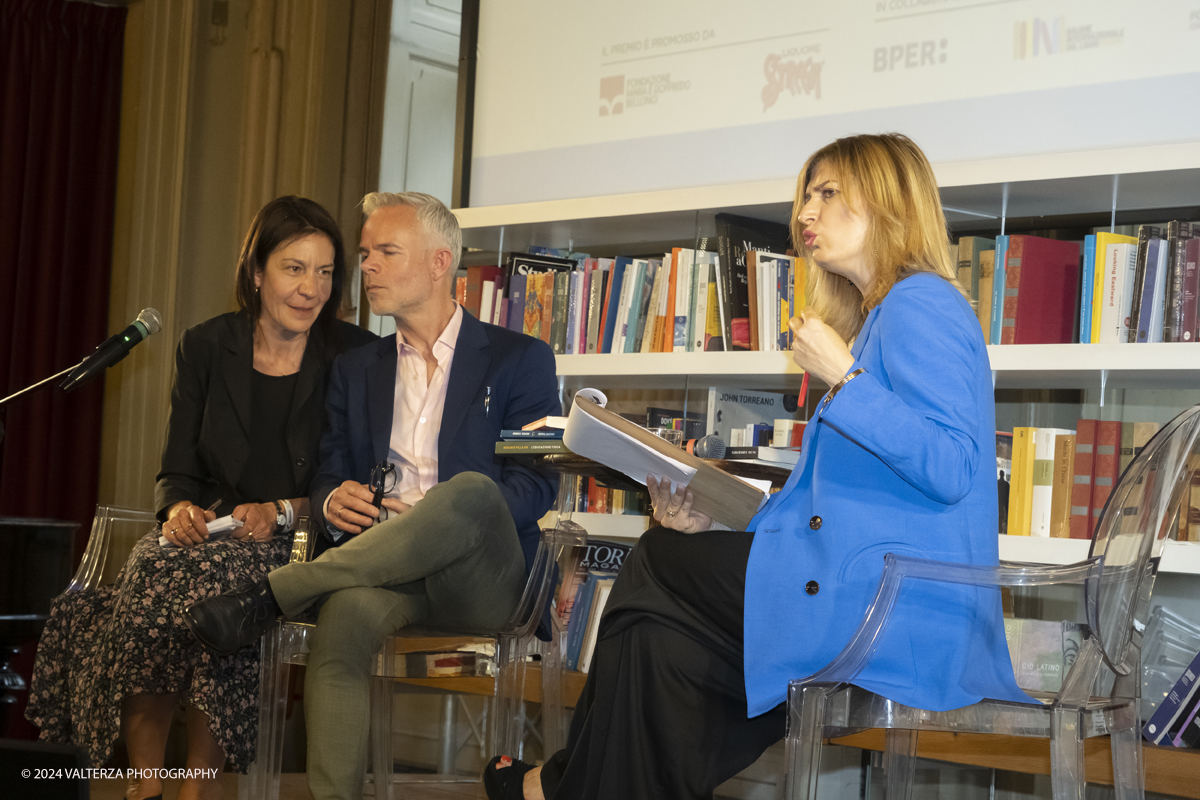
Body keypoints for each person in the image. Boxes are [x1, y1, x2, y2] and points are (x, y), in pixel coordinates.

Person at [485, 133, 1034, 800]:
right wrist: (713, 516)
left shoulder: (922, 302)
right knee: (662, 645)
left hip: (898, 604)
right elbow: (843, 503)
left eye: (829, 193)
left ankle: (560, 786)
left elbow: (952, 466)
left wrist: (845, 377)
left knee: (655, 564)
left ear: (888, 203)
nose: (807, 209)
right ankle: (565, 787)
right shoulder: (882, 316)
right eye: (806, 193)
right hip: (865, 586)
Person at [182, 191, 562, 800]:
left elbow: (539, 482)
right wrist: (332, 500)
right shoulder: (358, 368)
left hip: (482, 575)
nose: (366, 268)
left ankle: (274, 594)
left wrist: (439, 516)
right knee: (341, 628)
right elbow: (329, 471)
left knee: (466, 493)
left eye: (385, 251)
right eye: (364, 254)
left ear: (440, 263)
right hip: (384, 567)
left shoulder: (520, 359)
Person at [26, 196, 377, 800]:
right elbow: (176, 469)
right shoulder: (206, 345)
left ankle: (194, 788)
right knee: (152, 562)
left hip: (301, 539)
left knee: (210, 587)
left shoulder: (355, 353)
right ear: (257, 271)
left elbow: (361, 475)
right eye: (294, 268)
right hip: (209, 531)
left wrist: (284, 509)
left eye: (324, 273)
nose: (310, 288)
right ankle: (146, 785)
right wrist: (177, 511)